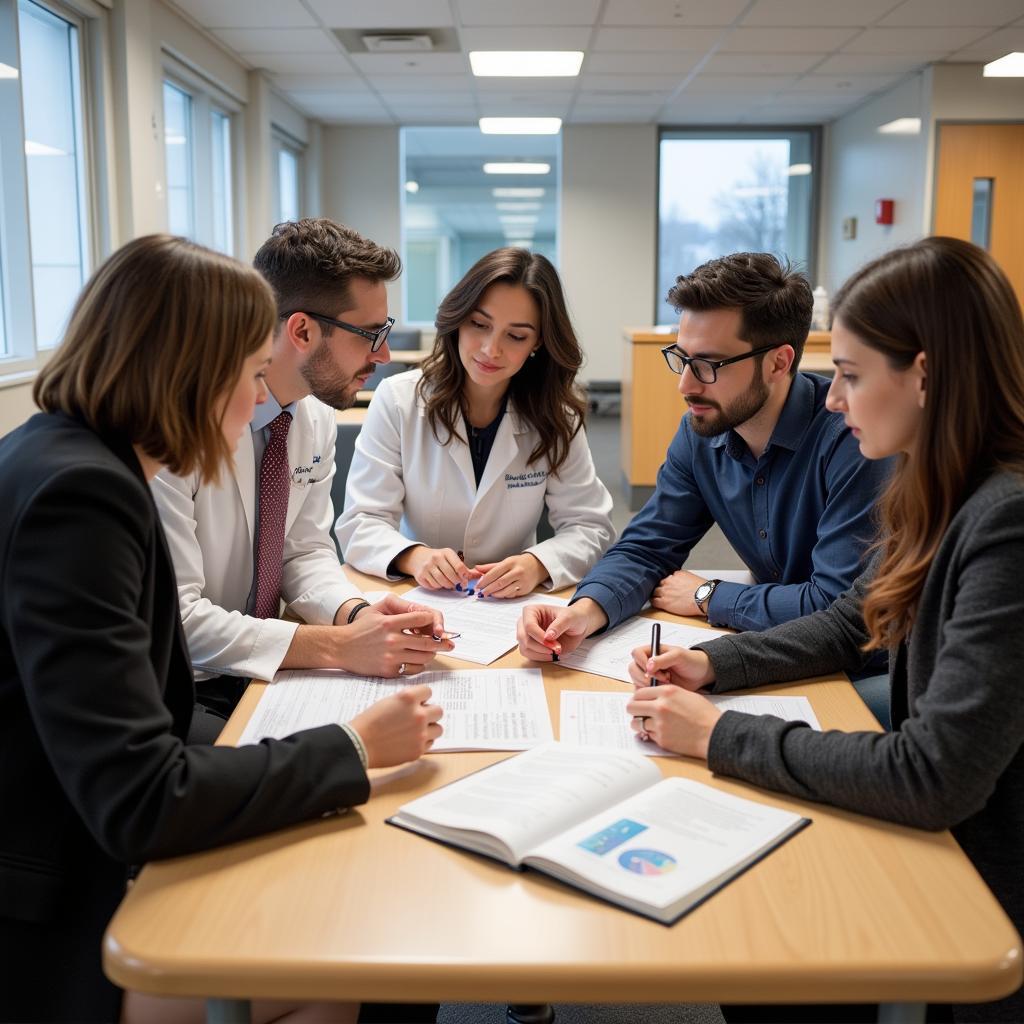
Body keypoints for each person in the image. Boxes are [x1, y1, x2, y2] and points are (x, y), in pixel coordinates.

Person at [0, 235, 443, 1024]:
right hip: (44, 885)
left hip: (79, 809)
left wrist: (350, 621)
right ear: (191, 375)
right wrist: (354, 746)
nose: (254, 404)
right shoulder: (84, 499)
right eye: (247, 376)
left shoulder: (70, 456)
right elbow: (143, 795)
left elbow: (304, 552)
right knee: (350, 955)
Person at [623, 237, 1024, 1023]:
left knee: (794, 944)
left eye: (849, 375)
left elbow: (932, 774)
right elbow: (854, 620)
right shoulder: (943, 485)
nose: (834, 401)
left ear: (925, 374)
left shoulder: (1005, 521)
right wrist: (716, 667)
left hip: (991, 884)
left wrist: (717, 736)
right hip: (961, 842)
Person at [516, 252, 892, 710]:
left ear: (778, 363)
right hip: (771, 654)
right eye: (682, 358)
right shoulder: (701, 433)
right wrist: (582, 613)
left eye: (710, 365)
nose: (686, 386)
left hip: (860, 668)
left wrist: (708, 596)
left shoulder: (854, 440)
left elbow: (837, 612)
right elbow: (646, 547)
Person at [153, 219, 454, 727]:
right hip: (184, 684)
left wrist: (356, 615)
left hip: (271, 668)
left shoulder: (311, 413)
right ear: (302, 330)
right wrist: (338, 645)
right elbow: (176, 620)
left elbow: (303, 550)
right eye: (371, 336)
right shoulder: (175, 429)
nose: (383, 356)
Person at [336, 247, 615, 597]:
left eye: (515, 335)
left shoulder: (557, 417)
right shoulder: (398, 400)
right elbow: (361, 521)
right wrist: (414, 557)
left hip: (513, 607)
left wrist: (538, 564)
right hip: (416, 596)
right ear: (458, 319)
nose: (490, 349)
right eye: (479, 325)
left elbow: (591, 526)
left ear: (538, 343)